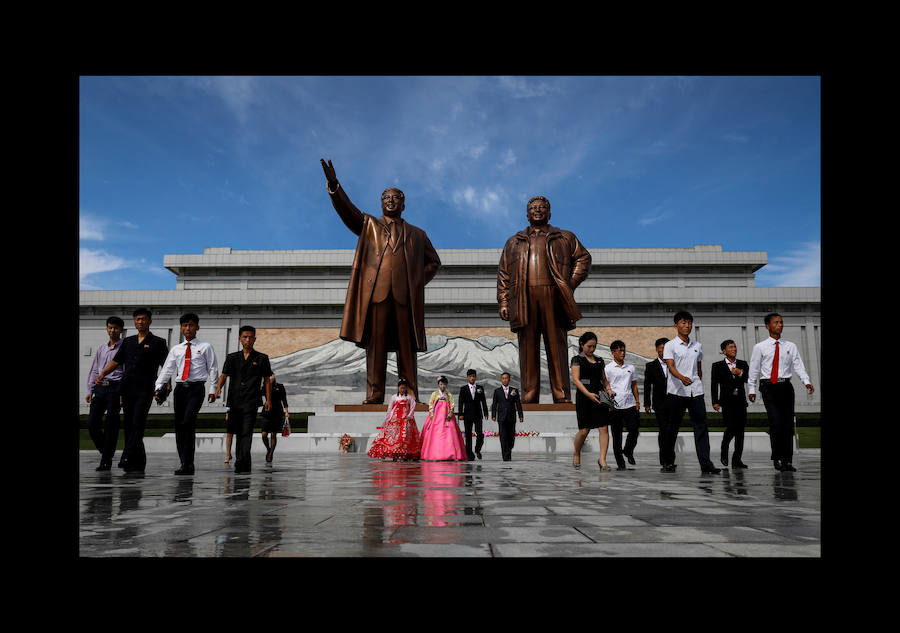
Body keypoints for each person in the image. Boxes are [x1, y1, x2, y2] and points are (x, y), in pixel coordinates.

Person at [320, 158, 441, 404]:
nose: (390, 200)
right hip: (377, 295)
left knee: (406, 349)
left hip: (405, 298)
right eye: (386, 197)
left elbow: (434, 262)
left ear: (403, 204)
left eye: (395, 197)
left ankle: (411, 395)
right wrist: (334, 185)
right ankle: (375, 394)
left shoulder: (418, 234)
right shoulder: (369, 225)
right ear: (381, 202)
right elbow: (348, 211)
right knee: (376, 347)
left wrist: (416, 282)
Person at [497, 195, 592, 403]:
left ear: (549, 213)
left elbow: (584, 258)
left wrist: (569, 284)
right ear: (527, 214)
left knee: (556, 345)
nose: (537, 210)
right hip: (523, 298)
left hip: (554, 296)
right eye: (533, 207)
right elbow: (504, 273)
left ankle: (561, 393)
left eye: (542, 207)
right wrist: (504, 302)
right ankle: (529, 394)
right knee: (528, 347)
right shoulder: (514, 241)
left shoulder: (564, 237)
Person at [94, 308, 168, 473]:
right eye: (137, 319)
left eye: (143, 319)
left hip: (145, 389)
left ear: (149, 321)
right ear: (134, 322)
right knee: (129, 425)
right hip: (127, 389)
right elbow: (116, 361)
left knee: (137, 422)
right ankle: (138, 463)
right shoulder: (128, 342)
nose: (140, 322)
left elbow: (167, 367)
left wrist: (165, 386)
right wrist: (103, 374)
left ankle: (126, 456)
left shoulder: (158, 342)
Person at [747, 313, 814, 472]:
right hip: (769, 386)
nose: (780, 325)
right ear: (768, 326)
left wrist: (807, 381)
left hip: (786, 387)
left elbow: (798, 365)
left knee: (787, 424)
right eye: (776, 322)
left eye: (781, 322)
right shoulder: (760, 347)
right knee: (776, 422)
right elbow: (754, 369)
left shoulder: (790, 346)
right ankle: (777, 457)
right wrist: (751, 388)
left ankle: (787, 461)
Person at [154, 313, 219, 475]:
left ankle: (189, 462)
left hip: (196, 389)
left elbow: (213, 368)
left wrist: (213, 389)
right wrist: (158, 386)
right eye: (184, 325)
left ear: (197, 327)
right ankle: (184, 462)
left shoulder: (205, 347)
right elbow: (167, 369)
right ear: (181, 328)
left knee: (188, 422)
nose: (188, 328)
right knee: (179, 425)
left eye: (191, 325)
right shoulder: (176, 349)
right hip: (180, 389)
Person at [661, 311, 721, 475]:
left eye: (689, 323)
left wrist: (697, 381)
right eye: (683, 323)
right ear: (676, 325)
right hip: (676, 392)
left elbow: (699, 368)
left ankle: (706, 464)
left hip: (696, 392)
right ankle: (667, 462)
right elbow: (671, 366)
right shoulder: (670, 345)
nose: (687, 326)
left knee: (701, 427)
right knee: (672, 428)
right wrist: (681, 378)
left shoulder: (697, 346)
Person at [213, 326, 273, 474]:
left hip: (251, 400)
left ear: (255, 339)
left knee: (246, 431)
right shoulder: (232, 358)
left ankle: (243, 462)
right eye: (245, 337)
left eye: (251, 337)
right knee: (238, 431)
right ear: (239, 339)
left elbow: (267, 380)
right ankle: (242, 461)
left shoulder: (262, 358)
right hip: (234, 400)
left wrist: (268, 399)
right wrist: (218, 389)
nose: (248, 340)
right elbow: (224, 375)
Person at [570, 332, 616, 470]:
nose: (592, 349)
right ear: (582, 345)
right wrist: (588, 394)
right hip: (584, 397)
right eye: (589, 346)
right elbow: (576, 380)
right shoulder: (577, 359)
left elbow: (604, 380)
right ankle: (577, 452)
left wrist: (609, 389)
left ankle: (602, 460)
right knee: (584, 430)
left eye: (594, 346)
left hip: (599, 396)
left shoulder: (600, 360)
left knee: (604, 428)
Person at [86, 316, 125, 471]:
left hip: (116, 388)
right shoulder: (102, 348)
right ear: (107, 329)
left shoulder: (124, 347)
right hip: (100, 388)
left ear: (121, 330)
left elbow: (126, 371)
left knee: (111, 423)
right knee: (91, 423)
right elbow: (95, 369)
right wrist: (90, 389)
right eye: (110, 327)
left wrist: (123, 392)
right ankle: (106, 452)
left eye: (115, 328)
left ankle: (106, 460)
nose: (112, 330)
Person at [711, 339, 750, 469]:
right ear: (724, 351)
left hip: (740, 401)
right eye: (730, 347)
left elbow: (750, 379)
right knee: (731, 428)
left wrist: (741, 373)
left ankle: (737, 460)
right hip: (727, 403)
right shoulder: (717, 366)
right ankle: (724, 449)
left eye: (735, 346)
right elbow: (714, 385)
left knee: (740, 432)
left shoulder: (742, 364)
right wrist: (715, 402)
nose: (734, 349)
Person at [606, 340, 640, 470]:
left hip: (630, 404)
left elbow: (634, 385)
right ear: (613, 352)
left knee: (634, 430)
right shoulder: (608, 368)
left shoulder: (630, 367)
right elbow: (605, 386)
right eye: (620, 350)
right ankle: (620, 463)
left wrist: (637, 401)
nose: (623, 353)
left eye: (624, 350)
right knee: (617, 435)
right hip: (615, 406)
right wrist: (608, 404)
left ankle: (628, 450)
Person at [367, 378, 421, 461]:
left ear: (406, 388)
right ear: (398, 388)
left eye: (404, 388)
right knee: (393, 436)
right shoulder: (394, 397)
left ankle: (404, 453)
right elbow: (390, 408)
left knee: (404, 436)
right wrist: (388, 418)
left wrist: (409, 416)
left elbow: (413, 407)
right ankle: (394, 453)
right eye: (401, 388)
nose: (402, 389)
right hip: (395, 419)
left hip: (405, 419)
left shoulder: (409, 398)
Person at [419, 376, 467, 461]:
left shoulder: (449, 394)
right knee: (433, 435)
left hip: (447, 417)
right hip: (436, 417)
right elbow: (431, 404)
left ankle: (450, 453)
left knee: (450, 433)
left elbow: (452, 405)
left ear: (446, 385)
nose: (442, 386)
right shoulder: (434, 394)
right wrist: (431, 413)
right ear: (438, 384)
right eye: (441, 384)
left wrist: (450, 414)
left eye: (444, 384)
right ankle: (433, 454)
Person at [644, 337, 670, 469]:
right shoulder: (651, 366)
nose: (663, 352)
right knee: (664, 429)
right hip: (659, 403)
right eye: (661, 349)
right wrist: (647, 404)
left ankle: (670, 459)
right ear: (657, 350)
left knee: (671, 431)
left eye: (666, 349)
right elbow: (647, 386)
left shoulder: (675, 364)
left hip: (673, 402)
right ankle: (664, 459)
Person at [490, 372, 525, 462]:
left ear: (509, 379)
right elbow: (494, 404)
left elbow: (518, 404)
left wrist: (520, 415)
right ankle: (506, 456)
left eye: (506, 378)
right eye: (503, 378)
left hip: (511, 417)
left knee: (511, 436)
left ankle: (509, 449)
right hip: (501, 417)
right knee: (503, 436)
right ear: (501, 380)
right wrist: (493, 415)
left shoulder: (514, 390)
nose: (505, 380)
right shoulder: (497, 391)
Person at [458, 369, 489, 460]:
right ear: (467, 377)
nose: (472, 378)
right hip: (467, 415)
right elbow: (461, 403)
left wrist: (486, 413)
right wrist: (460, 414)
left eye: (473, 376)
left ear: (475, 377)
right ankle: (469, 455)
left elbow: (483, 401)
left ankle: (477, 449)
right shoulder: (463, 389)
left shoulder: (480, 388)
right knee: (468, 435)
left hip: (478, 414)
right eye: (470, 376)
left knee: (480, 434)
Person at [261, 377, 290, 466]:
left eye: (272, 375)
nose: (271, 377)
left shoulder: (280, 387)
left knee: (273, 434)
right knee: (264, 434)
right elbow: (260, 394)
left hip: (277, 412)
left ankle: (271, 453)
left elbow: (284, 399)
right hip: (267, 411)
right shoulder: (265, 386)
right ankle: (268, 448)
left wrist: (286, 411)